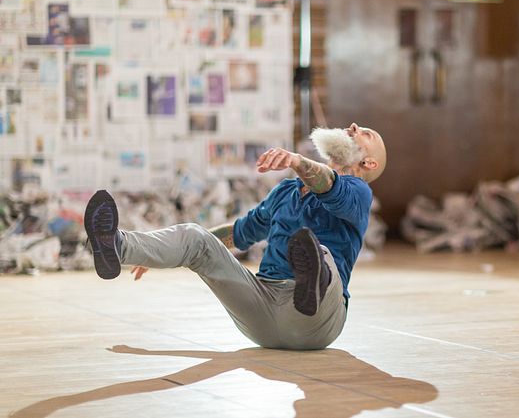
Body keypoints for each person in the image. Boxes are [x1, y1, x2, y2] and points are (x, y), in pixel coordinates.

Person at [84, 123, 387, 350]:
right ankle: (117, 246)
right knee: (195, 236)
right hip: (261, 313)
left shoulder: (359, 193)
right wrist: (161, 251)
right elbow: (239, 233)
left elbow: (329, 185)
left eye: (366, 134)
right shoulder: (285, 192)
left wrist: (296, 160)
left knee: (319, 251)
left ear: (369, 163)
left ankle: (310, 285)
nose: (354, 127)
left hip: (317, 322)